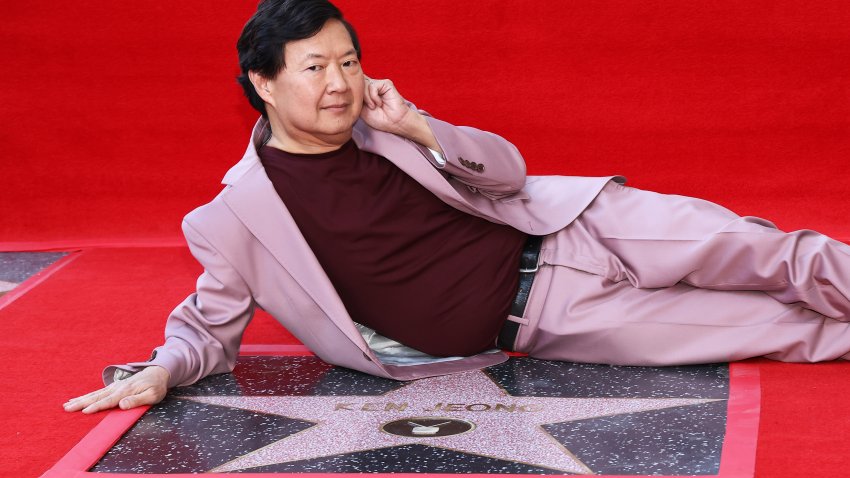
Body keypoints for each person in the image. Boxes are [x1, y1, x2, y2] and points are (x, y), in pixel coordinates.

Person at [65, 0, 850, 415]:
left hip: (575, 224)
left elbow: (507, 175)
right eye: (315, 67)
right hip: (548, 318)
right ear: (262, 83)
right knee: (780, 330)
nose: (339, 83)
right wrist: (163, 372)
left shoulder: (386, 126)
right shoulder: (233, 217)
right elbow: (208, 324)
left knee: (774, 254)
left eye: (348, 60)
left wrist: (415, 123)